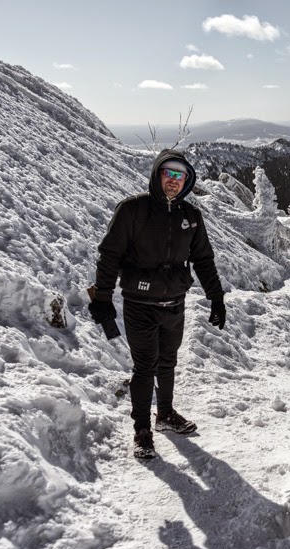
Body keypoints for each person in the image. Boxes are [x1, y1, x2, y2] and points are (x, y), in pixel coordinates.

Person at [88, 149, 227, 459]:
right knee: (145, 366)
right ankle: (142, 430)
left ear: (187, 180)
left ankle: (164, 415)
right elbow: (110, 256)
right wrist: (102, 298)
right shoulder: (132, 211)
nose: (174, 181)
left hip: (175, 304)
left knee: (168, 362)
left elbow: (203, 259)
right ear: (157, 175)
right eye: (168, 173)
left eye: (180, 176)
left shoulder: (190, 217)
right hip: (140, 304)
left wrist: (216, 297)